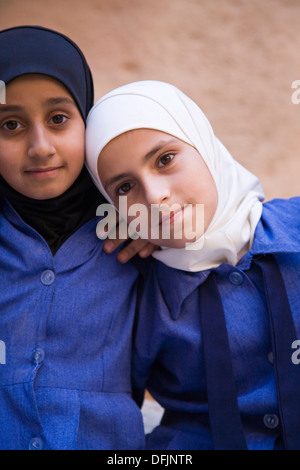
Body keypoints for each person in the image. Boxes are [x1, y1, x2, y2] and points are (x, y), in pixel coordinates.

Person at [85, 80, 300, 450]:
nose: (154, 196)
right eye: (124, 187)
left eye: (165, 159)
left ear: (205, 147)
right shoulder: (134, 288)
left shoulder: (294, 228)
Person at [0, 26, 148, 450]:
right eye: (11, 124)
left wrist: (162, 235)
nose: (40, 146)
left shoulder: (132, 232)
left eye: (59, 118)